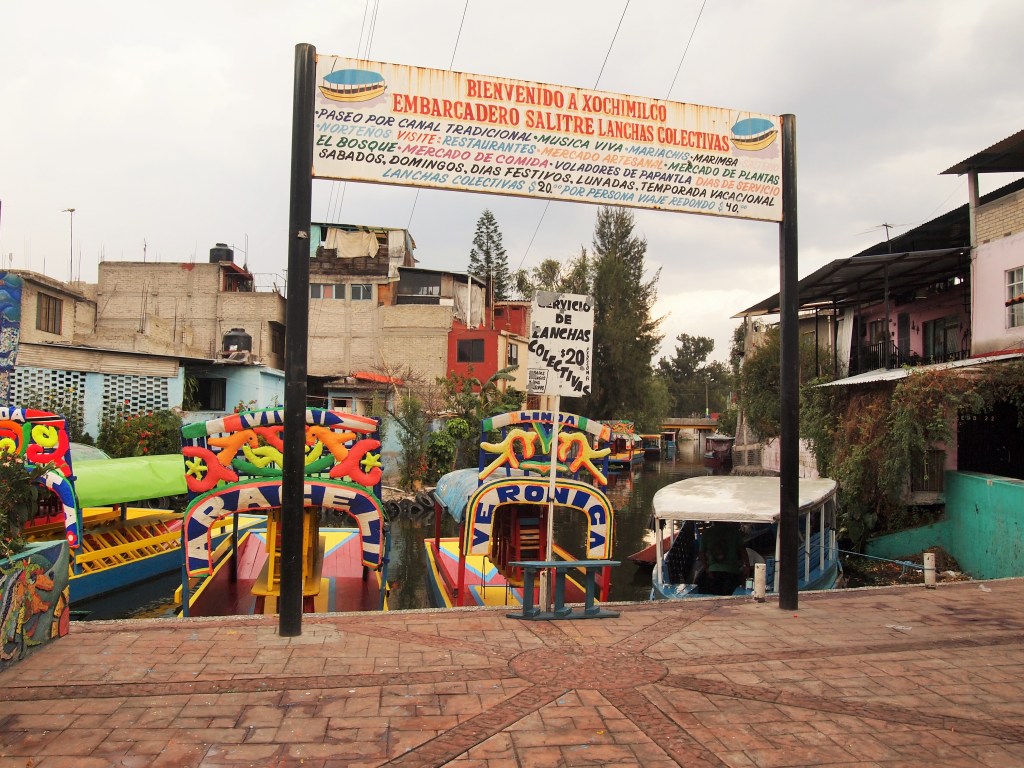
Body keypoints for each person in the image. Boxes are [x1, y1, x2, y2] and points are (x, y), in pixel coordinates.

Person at [698, 521, 750, 596]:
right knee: (730, 597)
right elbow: (743, 551)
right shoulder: (734, 532)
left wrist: (706, 569)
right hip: (731, 571)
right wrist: (746, 566)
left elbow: (701, 554)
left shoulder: (707, 533)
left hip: (713, 571)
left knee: (715, 597)